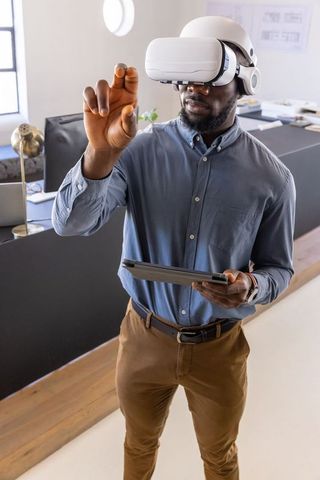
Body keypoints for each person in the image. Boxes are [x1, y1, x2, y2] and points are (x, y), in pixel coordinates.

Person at [52, 16, 296, 480]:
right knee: (138, 445)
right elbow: (70, 224)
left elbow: (279, 269)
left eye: (209, 74)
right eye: (186, 74)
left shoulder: (272, 179)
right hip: (144, 336)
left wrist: (252, 286)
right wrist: (100, 155)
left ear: (243, 80)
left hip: (218, 349)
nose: (193, 87)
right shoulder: (137, 151)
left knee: (220, 457)